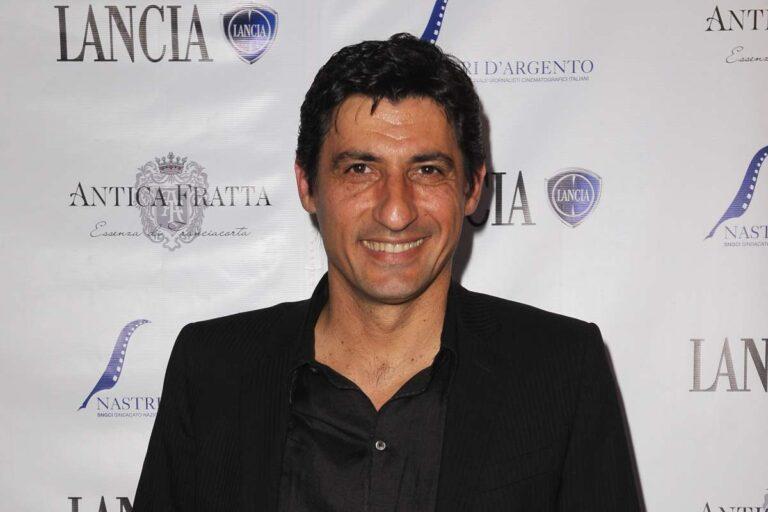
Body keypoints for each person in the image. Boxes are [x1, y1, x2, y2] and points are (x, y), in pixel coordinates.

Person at [134, 33, 641, 511]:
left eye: (427, 170)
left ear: (471, 188)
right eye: (360, 169)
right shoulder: (212, 370)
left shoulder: (560, 369)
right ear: (307, 185)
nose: (396, 211)